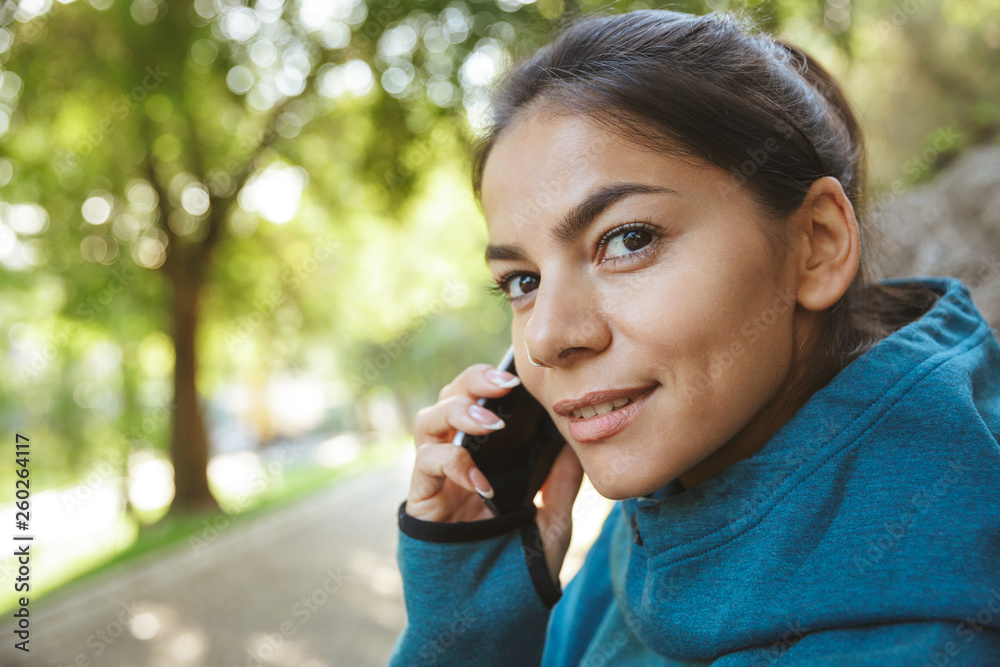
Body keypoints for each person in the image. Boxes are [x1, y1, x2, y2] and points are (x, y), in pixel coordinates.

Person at [388, 8, 1000, 665]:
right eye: (521, 281)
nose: (547, 338)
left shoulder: (914, 643)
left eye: (628, 240)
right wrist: (467, 627)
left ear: (817, 245)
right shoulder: (673, 498)